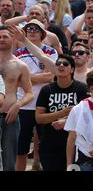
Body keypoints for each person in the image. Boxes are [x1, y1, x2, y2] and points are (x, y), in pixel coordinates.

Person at [13, 20, 58, 171]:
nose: (32, 31)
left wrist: (26, 79)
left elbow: (51, 76)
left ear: (42, 33)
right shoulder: (18, 53)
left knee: (45, 147)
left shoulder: (51, 52)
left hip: (44, 104)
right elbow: (15, 79)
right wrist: (37, 77)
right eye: (29, 29)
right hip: (24, 104)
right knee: (21, 148)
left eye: (36, 29)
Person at [0, 26, 33, 171]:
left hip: (10, 117)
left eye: (5, 36)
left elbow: (29, 93)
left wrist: (18, 104)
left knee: (9, 161)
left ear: (13, 38)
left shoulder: (20, 65)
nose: (1, 39)